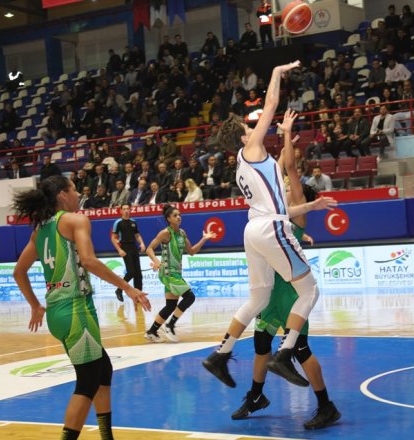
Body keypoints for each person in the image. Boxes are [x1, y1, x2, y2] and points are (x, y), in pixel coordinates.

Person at [202, 61, 337, 390]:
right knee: (309, 290)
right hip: (269, 229)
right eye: (249, 127)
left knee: (258, 300)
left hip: (254, 230)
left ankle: (220, 355)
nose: (254, 127)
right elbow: (272, 104)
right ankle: (285, 353)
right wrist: (276, 72)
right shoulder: (250, 148)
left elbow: (280, 193)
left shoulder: (244, 164)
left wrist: (311, 205)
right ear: (243, 135)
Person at [12, 175, 151, 440]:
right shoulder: (76, 220)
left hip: (56, 314)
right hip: (77, 310)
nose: (78, 195)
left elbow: (19, 272)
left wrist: (35, 306)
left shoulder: (40, 230)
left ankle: (106, 435)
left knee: (103, 369)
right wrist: (129, 288)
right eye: (74, 190)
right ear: (63, 195)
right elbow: (88, 261)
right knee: (87, 382)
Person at [231, 125, 340, 430]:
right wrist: (283, 145)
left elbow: (289, 168)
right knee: (261, 343)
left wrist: (287, 140)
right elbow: (278, 165)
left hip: (289, 294)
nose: (287, 190)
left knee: (301, 350)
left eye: (291, 190)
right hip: (272, 293)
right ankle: (255, 396)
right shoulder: (276, 208)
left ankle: (326, 405)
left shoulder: (295, 215)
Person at [144, 205, 216, 343]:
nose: (179, 217)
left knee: (171, 305)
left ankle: (152, 331)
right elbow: (149, 249)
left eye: (179, 215)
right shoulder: (165, 233)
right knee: (190, 297)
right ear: (169, 219)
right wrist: (156, 261)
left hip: (176, 273)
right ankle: (170, 325)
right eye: (175, 215)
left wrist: (204, 238)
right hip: (167, 273)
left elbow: (192, 251)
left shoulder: (182, 233)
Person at [110, 204, 146, 302]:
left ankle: (139, 295)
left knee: (138, 273)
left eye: (128, 209)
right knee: (131, 272)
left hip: (134, 247)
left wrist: (142, 244)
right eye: (124, 209)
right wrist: (119, 250)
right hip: (125, 247)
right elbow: (113, 238)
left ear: (130, 210)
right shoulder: (118, 222)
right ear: (121, 211)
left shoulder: (133, 222)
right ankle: (119, 289)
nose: (126, 211)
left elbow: (137, 235)